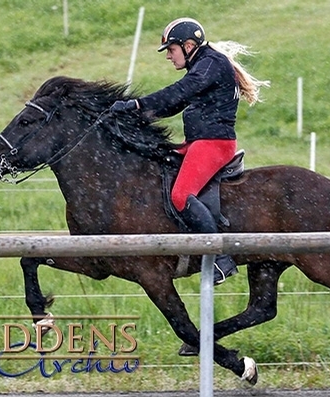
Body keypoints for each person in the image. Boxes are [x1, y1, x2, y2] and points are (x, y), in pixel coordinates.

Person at [110, 17, 269, 285]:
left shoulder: (211, 63)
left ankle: (220, 258)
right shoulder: (203, 65)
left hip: (214, 144)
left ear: (188, 45)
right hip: (198, 143)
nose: (169, 57)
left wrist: (137, 104)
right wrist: (135, 114)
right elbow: (172, 105)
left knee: (181, 194)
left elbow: (178, 93)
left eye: (171, 50)